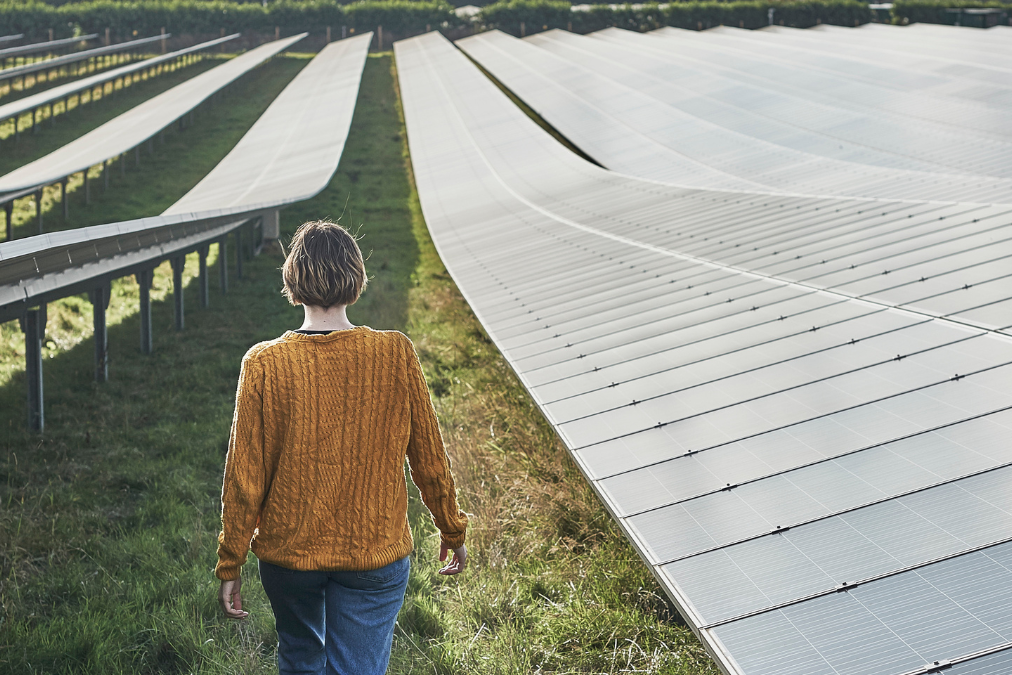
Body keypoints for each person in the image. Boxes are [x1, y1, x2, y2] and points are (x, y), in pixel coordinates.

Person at [215, 219, 469, 675]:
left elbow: (243, 477)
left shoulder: (264, 363)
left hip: (288, 555)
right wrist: (451, 528)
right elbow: (429, 458)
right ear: (356, 279)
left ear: (293, 278)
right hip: (374, 550)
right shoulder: (395, 353)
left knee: (299, 657)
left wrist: (231, 560)